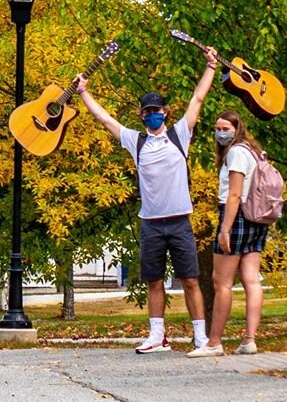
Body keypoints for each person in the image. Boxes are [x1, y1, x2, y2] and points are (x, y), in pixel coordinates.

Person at [78, 47, 219, 355]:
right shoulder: (136, 141)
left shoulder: (180, 134)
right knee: (153, 281)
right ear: (142, 115)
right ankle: (157, 336)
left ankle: (201, 338)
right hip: (151, 224)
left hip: (180, 221)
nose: (153, 114)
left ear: (165, 112)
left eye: (158, 109)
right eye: (148, 111)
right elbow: (104, 118)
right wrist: (84, 92)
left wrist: (210, 66)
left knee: (190, 281)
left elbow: (197, 99)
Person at [193, 109, 269, 358]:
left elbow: (234, 194)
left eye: (226, 129)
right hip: (256, 217)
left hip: (235, 216)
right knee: (251, 279)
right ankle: (249, 340)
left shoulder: (236, 152)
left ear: (237, 129)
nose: (220, 133)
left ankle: (214, 342)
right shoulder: (252, 150)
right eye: (217, 128)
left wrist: (225, 229)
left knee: (221, 282)